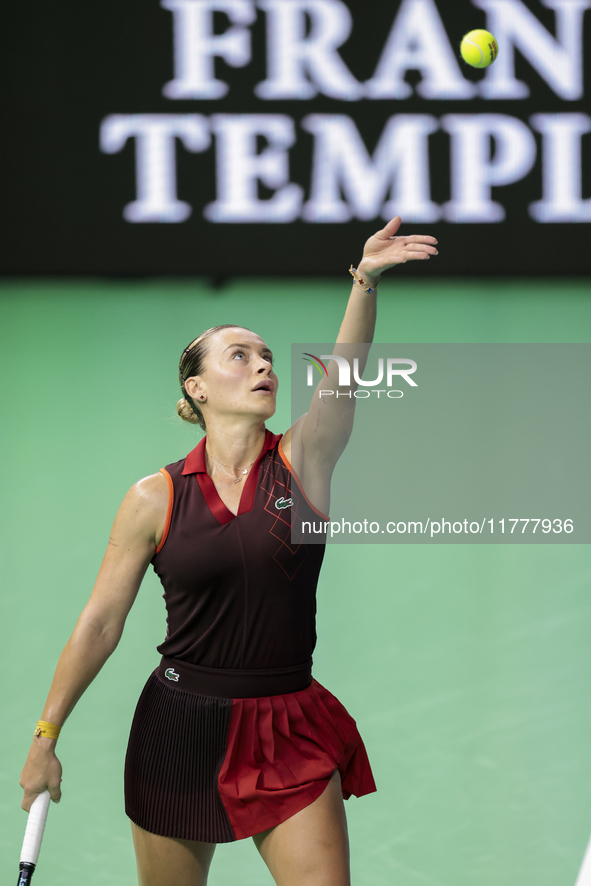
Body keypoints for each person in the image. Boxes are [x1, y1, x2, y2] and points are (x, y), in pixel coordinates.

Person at [20, 217, 438, 886]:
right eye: (239, 356)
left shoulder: (304, 461)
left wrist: (364, 280)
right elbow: (99, 622)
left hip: (287, 726)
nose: (263, 364)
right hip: (178, 731)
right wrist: (46, 739)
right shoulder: (152, 498)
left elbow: (345, 379)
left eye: (267, 355)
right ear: (197, 388)